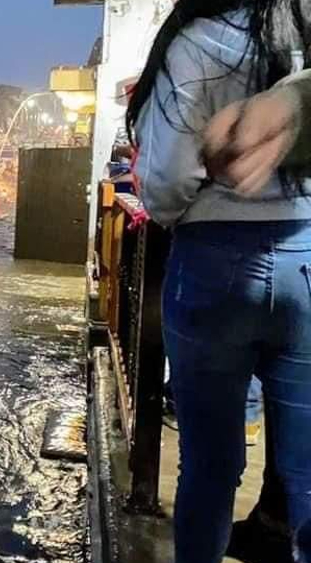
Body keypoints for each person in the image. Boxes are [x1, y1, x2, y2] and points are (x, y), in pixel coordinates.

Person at [127, 2, 311, 562]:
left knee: (209, 465)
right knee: (307, 470)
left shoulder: (196, 41)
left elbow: (166, 181)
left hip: (212, 262)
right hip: (305, 254)